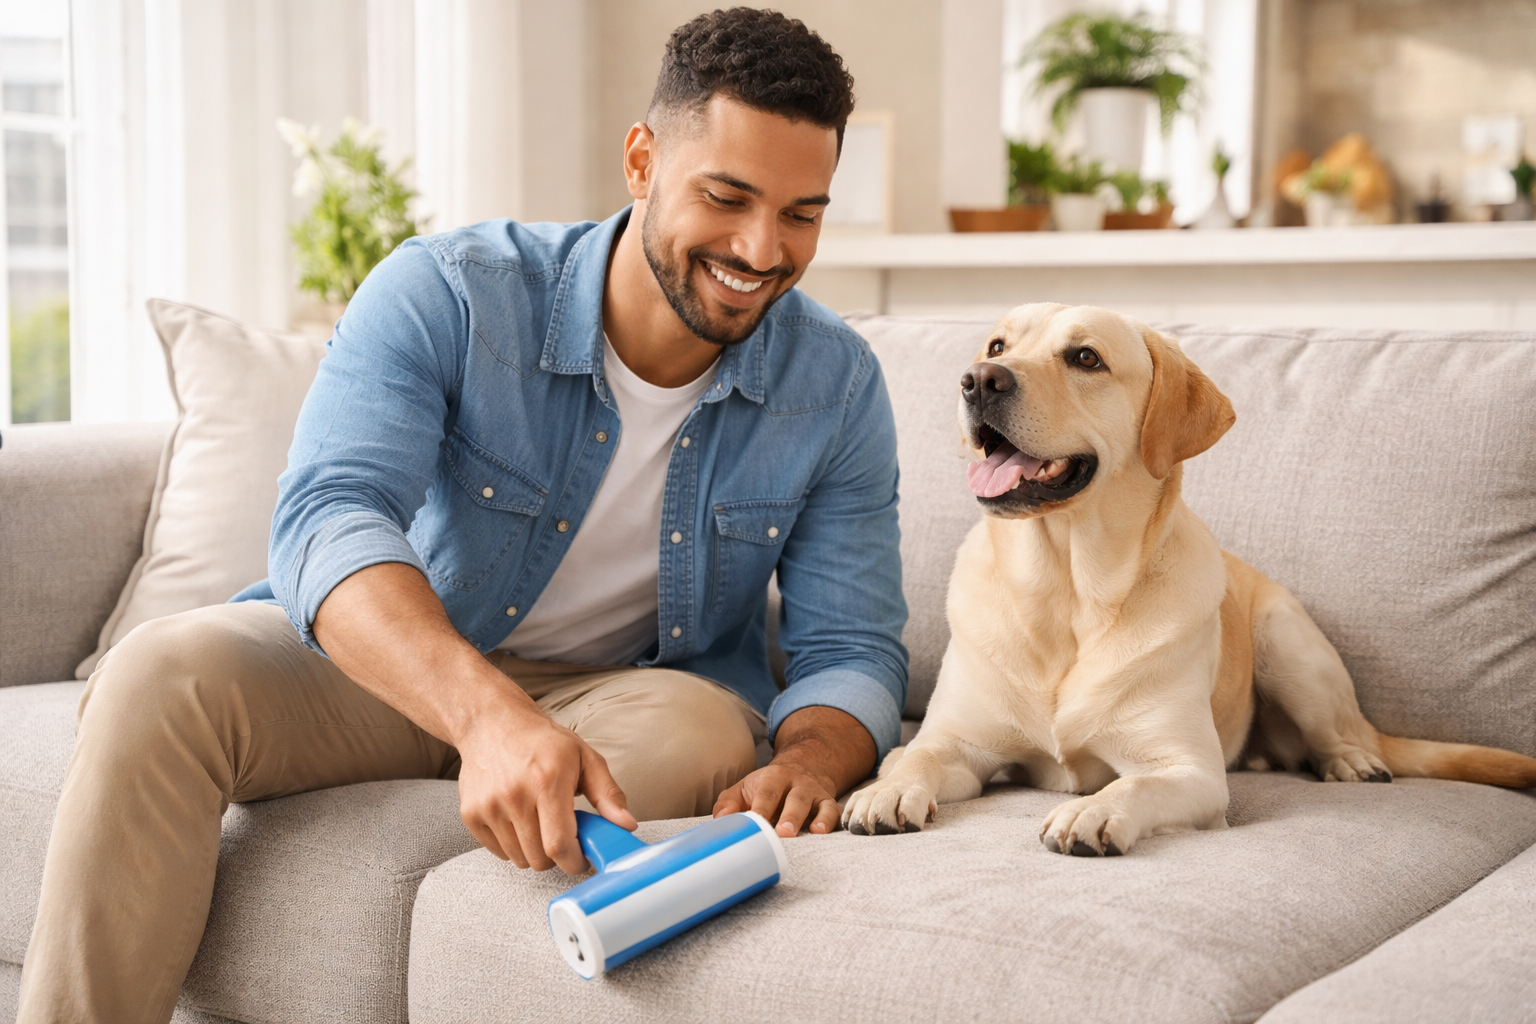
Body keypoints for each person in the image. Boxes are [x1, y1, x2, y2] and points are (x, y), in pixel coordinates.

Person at [17, 8, 907, 1022]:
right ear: (641, 159)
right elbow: (329, 517)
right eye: (727, 195)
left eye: (802, 212)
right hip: (396, 662)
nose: (762, 247)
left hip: (624, 699)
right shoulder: (451, 292)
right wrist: (487, 717)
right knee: (156, 675)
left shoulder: (834, 384)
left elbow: (851, 647)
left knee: (705, 729)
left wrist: (809, 759)